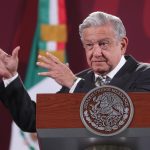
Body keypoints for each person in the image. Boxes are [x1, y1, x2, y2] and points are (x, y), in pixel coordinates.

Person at [0, 11, 150, 133]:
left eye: (103, 44)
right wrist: (11, 78)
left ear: (122, 45)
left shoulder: (145, 74)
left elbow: (126, 115)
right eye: (89, 45)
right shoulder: (78, 80)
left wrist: (74, 83)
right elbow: (33, 121)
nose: (96, 52)